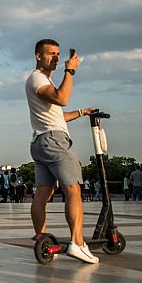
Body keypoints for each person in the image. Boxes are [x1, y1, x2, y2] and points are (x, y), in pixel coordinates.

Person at [26, 39, 98, 264]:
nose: (56, 58)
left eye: (58, 54)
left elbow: (58, 115)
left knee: (43, 194)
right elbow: (62, 99)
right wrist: (70, 71)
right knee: (73, 190)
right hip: (54, 141)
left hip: (40, 142)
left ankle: (42, 239)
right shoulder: (38, 78)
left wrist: (82, 112)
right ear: (38, 56)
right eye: (51, 54)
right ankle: (78, 243)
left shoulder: (43, 81)